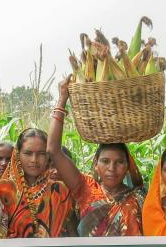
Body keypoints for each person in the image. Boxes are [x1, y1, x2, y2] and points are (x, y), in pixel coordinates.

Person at [47, 78, 146, 237]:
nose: (111, 168)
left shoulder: (139, 196)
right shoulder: (86, 188)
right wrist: (62, 98)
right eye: (105, 161)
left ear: (128, 166)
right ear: (95, 165)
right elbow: (53, 150)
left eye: (119, 162)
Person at [0, 127, 75, 238]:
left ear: (48, 156)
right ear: (17, 154)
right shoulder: (6, 189)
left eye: (41, 153)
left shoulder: (60, 190)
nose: (34, 160)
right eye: (28, 153)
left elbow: (73, 232)